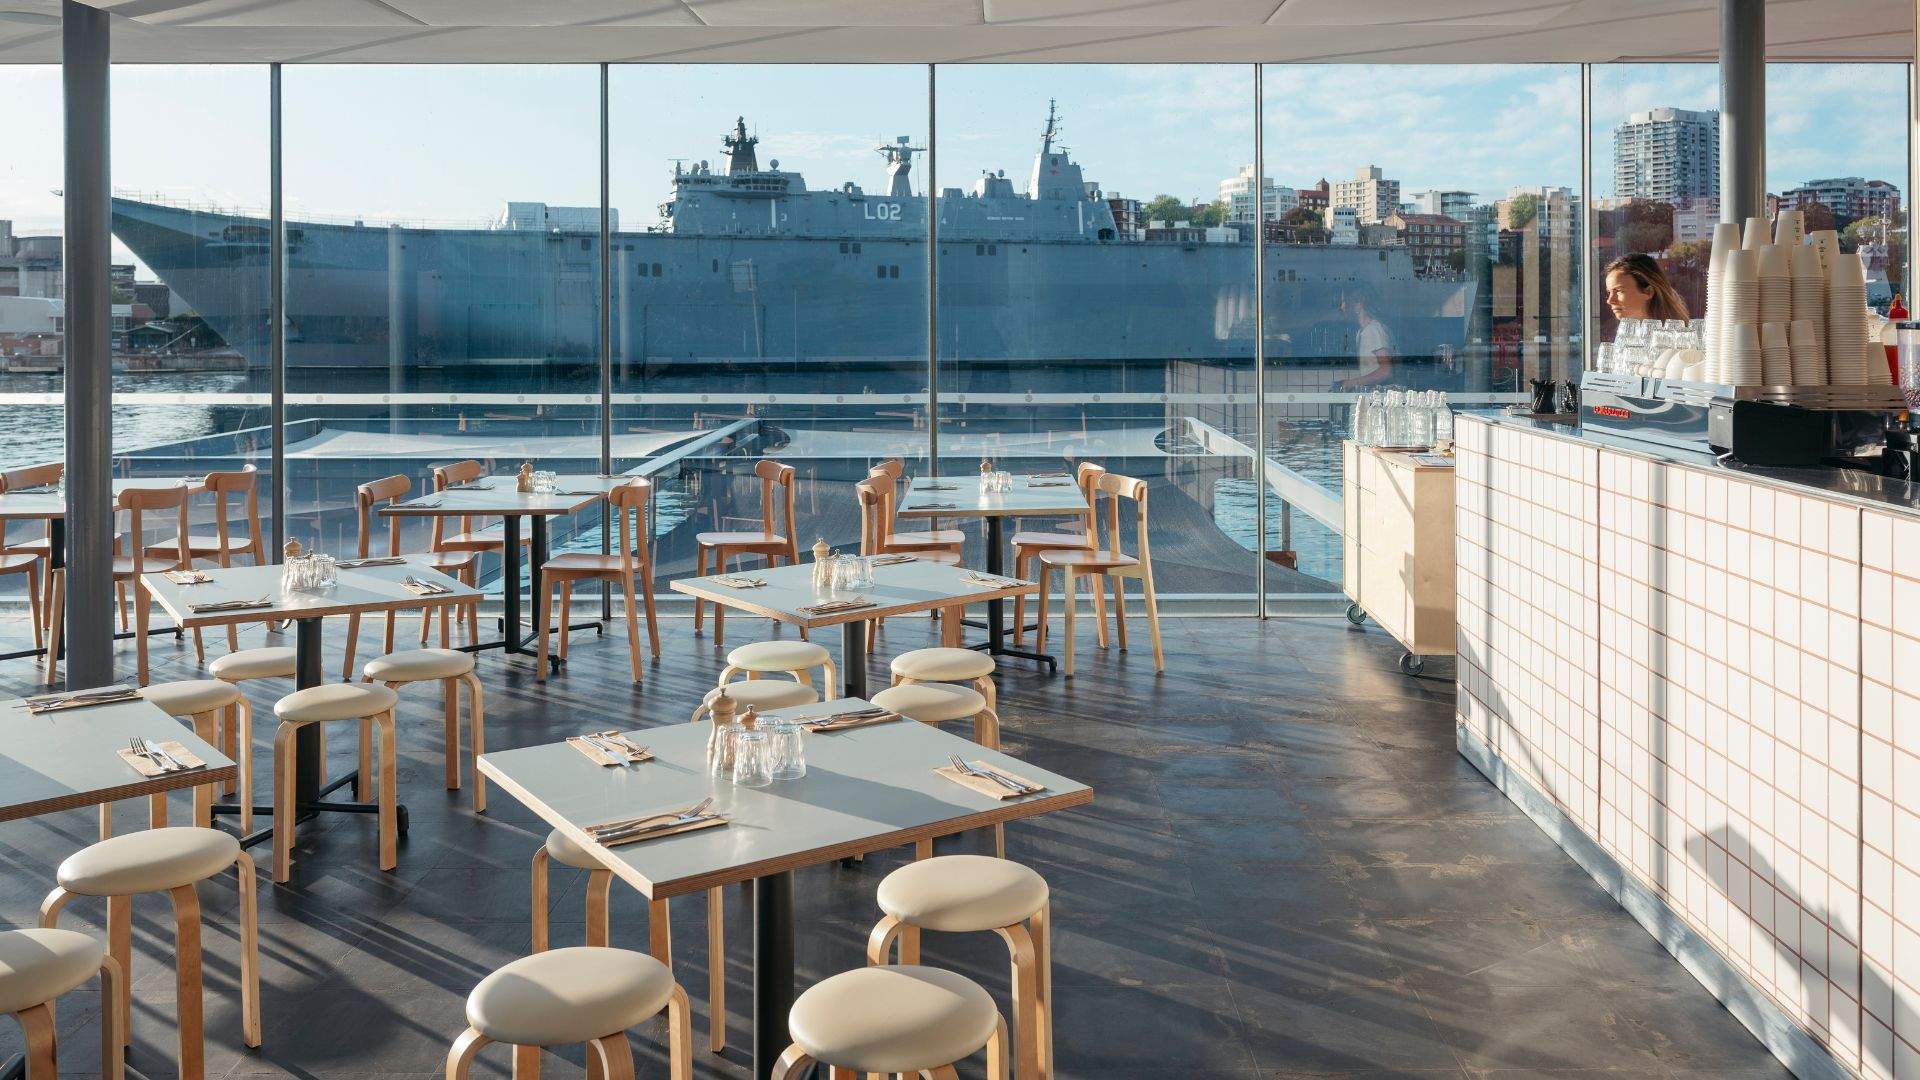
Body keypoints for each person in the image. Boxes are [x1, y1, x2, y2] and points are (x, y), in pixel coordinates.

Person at [1604, 253, 1689, 323]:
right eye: (1609, 292)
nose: (1610, 300)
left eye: (1619, 291)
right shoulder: (1627, 337)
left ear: (1648, 292)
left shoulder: (1677, 340)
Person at [1343, 297, 1393, 388]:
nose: (1343, 308)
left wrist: (1352, 382)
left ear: (1359, 305)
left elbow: (1385, 371)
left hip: (1377, 397)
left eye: (1346, 304)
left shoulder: (1373, 330)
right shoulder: (1361, 332)